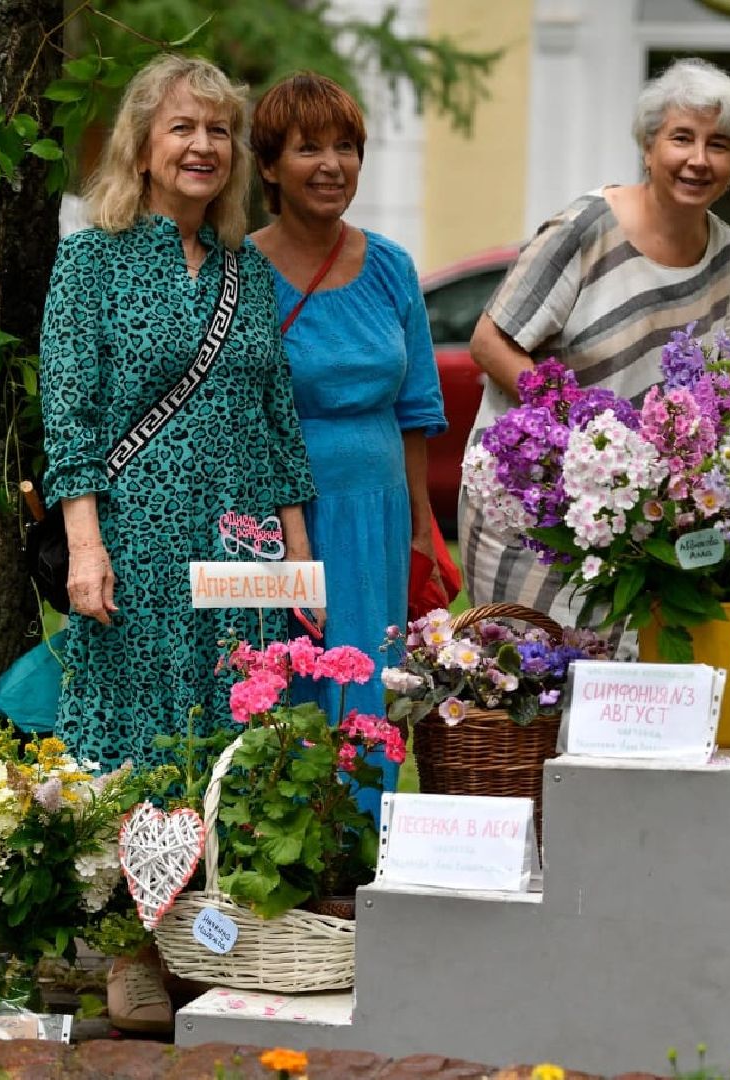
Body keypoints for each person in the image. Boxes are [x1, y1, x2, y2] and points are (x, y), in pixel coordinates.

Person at [39, 55, 316, 1032]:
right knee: (136, 745)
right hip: (136, 541)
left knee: (223, 737)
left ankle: (208, 936)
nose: (204, 147)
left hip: (237, 549)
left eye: (220, 133)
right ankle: (127, 953)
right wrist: (85, 545)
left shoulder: (247, 267)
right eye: (184, 128)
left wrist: (296, 558)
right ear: (144, 146)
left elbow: (273, 415)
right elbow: (66, 417)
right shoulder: (94, 259)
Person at [459, 58, 730, 620]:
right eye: (681, 138)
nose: (698, 159)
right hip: (533, 502)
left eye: (719, 145)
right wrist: (578, 431)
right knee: (534, 682)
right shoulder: (587, 227)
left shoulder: (727, 254)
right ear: (647, 147)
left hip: (638, 519)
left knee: (620, 689)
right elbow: (490, 342)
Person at [249, 73, 446, 806]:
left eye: (346, 147)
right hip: (275, 519)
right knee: (285, 685)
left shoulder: (392, 266)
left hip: (379, 513)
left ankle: (362, 862)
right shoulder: (240, 270)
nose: (332, 165)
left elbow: (418, 407)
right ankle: (285, 869)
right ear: (269, 166)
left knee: (369, 681)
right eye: (307, 148)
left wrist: (423, 526)